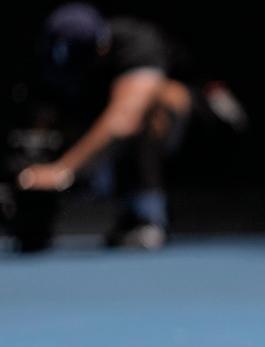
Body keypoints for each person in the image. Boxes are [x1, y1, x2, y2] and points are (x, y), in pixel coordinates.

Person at [16, 3, 246, 250]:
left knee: (149, 104)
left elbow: (124, 119)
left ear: (101, 48)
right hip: (137, 137)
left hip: (210, 127)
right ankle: (124, 209)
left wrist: (62, 170)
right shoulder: (61, 58)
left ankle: (148, 216)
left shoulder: (137, 43)